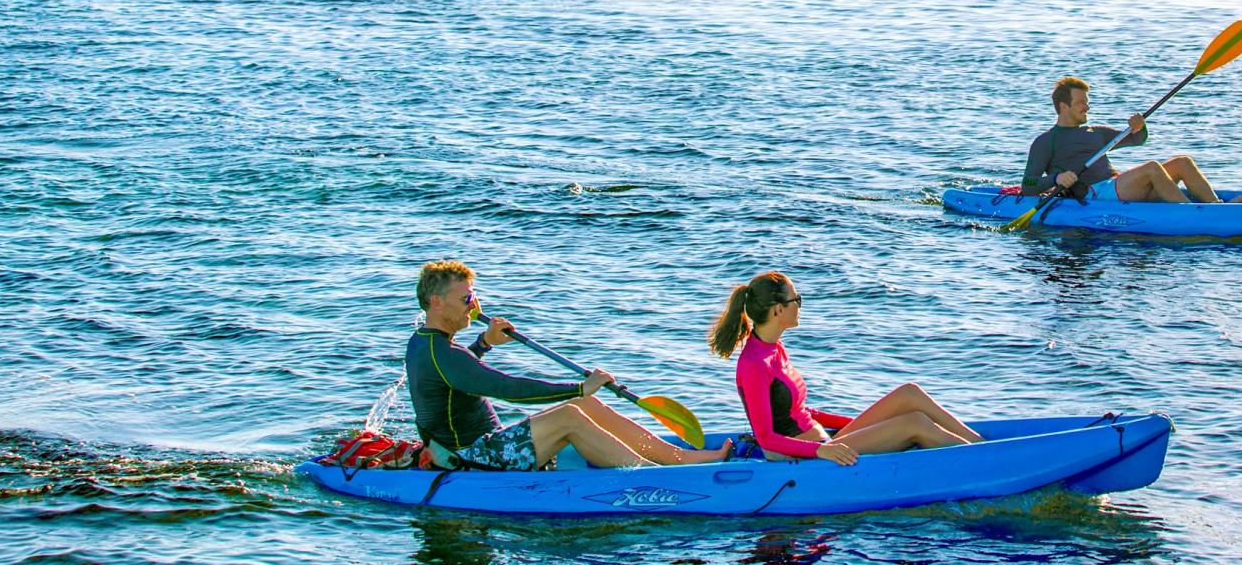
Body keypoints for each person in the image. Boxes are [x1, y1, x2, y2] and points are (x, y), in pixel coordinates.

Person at [408, 260, 731, 471]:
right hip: (472, 459)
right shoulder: (443, 353)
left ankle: (682, 458)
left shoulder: (425, 344)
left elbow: (454, 379)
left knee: (585, 404)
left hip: (487, 446)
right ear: (436, 302)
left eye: (473, 297)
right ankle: (649, 475)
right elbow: (508, 388)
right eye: (466, 299)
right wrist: (577, 386)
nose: (474, 306)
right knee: (571, 411)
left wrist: (484, 344)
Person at [708, 271, 984, 466]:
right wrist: (822, 451)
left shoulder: (774, 348)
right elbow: (767, 438)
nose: (800, 306)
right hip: (804, 456)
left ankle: (981, 445)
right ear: (779, 310)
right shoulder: (754, 363)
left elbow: (800, 412)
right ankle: (985, 461)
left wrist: (856, 423)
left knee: (909, 395)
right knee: (914, 423)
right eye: (797, 300)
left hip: (824, 442)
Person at [1021, 76, 1242, 204]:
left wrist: (1140, 125)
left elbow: (1138, 139)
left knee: (1183, 162)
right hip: (1095, 193)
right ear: (1063, 106)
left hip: (1119, 185)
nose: (1087, 106)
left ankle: (1216, 208)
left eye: (1087, 101)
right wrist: (1057, 178)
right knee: (1151, 168)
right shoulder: (1046, 142)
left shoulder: (1096, 132)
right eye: (1081, 102)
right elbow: (1028, 184)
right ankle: (1192, 215)